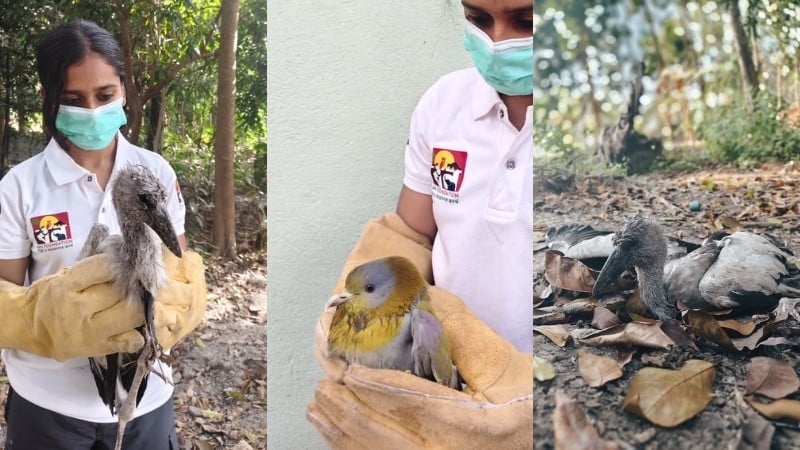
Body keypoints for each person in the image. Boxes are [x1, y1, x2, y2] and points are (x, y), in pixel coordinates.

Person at [308, 0, 534, 447]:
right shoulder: (443, 105)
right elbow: (410, 235)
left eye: (527, 21)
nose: (498, 42)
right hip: (446, 392)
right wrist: (354, 314)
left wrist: (526, 409)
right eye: (478, 19)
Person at [0, 20, 206, 449]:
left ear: (124, 90)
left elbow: (178, 266)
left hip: (146, 402)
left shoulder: (156, 173)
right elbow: (5, 296)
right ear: (48, 100)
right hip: (46, 406)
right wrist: (45, 319)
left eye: (105, 95)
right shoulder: (19, 187)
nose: (92, 110)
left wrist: (182, 307)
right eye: (73, 99)